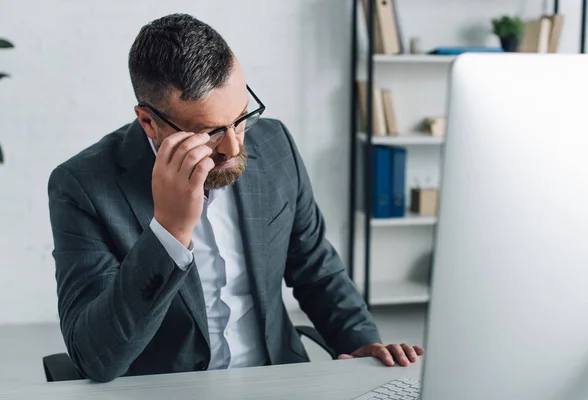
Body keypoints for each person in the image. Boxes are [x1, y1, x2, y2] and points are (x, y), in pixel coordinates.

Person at [47, 13, 424, 383]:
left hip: (279, 379)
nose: (233, 145)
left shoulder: (275, 145)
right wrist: (169, 232)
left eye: (242, 116)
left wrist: (362, 342)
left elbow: (315, 266)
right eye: (209, 131)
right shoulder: (82, 186)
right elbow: (95, 357)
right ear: (149, 121)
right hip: (165, 390)